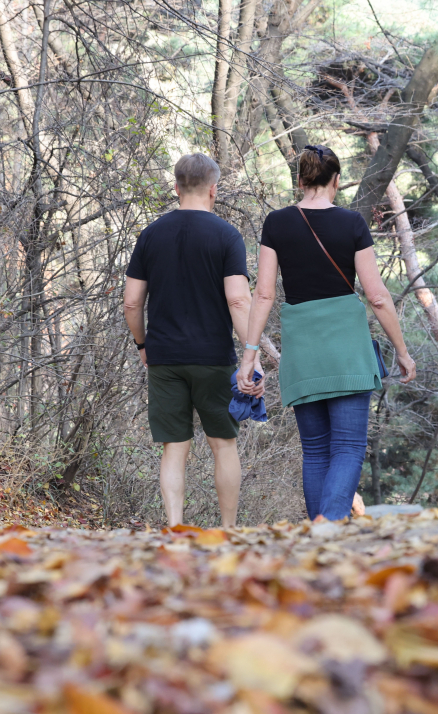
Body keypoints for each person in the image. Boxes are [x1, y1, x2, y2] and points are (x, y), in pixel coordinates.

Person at [237, 144, 416, 521]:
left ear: (300, 180)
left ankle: (317, 538)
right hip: (347, 349)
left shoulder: (277, 223)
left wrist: (250, 354)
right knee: (348, 447)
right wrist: (401, 350)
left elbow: (264, 293)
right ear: (336, 180)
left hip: (303, 352)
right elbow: (378, 297)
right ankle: (329, 528)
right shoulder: (352, 224)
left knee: (316, 451)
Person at [124, 152, 258, 528]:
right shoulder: (227, 236)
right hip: (214, 357)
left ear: (176, 187)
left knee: (174, 448)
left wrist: (142, 345)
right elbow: (238, 299)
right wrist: (251, 353)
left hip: (164, 357)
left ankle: (174, 528)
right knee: (224, 444)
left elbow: (132, 302)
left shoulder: (150, 234)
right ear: (214, 189)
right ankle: (229, 531)